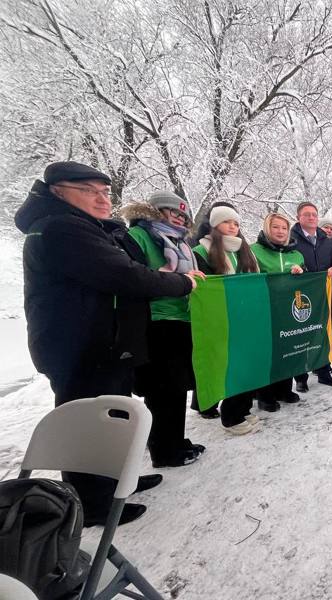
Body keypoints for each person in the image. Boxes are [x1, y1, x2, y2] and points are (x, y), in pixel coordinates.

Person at [15, 161, 198, 527]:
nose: (101, 199)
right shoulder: (61, 228)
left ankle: (114, 483)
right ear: (58, 191)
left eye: (104, 192)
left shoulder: (85, 226)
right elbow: (124, 275)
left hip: (106, 343)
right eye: (89, 191)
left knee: (112, 416)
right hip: (80, 345)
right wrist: (182, 283)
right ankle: (91, 502)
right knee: (88, 423)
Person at [121, 191, 206, 469]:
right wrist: (179, 279)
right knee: (162, 388)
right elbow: (136, 275)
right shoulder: (140, 236)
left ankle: (176, 440)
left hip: (182, 319)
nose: (179, 218)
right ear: (156, 211)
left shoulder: (181, 242)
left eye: (183, 215)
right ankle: (163, 450)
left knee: (177, 386)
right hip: (156, 321)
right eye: (173, 212)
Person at [193, 205, 261, 434]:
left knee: (246, 365)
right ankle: (230, 417)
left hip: (245, 317)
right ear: (214, 225)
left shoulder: (244, 250)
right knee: (230, 366)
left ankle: (242, 408)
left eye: (236, 223)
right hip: (221, 318)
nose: (232, 227)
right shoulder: (202, 251)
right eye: (226, 222)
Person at [251, 212, 305, 411]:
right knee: (267, 353)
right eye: (276, 227)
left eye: (284, 228)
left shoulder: (296, 254)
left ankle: (284, 389)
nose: (280, 231)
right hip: (264, 310)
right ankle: (265, 395)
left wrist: (301, 273)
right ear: (267, 228)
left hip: (288, 312)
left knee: (287, 350)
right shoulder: (253, 250)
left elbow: (304, 282)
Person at [290, 201, 332, 390]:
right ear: (298, 218)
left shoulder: (326, 241)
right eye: (307, 214)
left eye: (314, 214)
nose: (311, 217)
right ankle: (300, 378)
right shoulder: (291, 239)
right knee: (301, 334)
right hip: (300, 295)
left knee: (322, 332)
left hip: (323, 295)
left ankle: (323, 372)